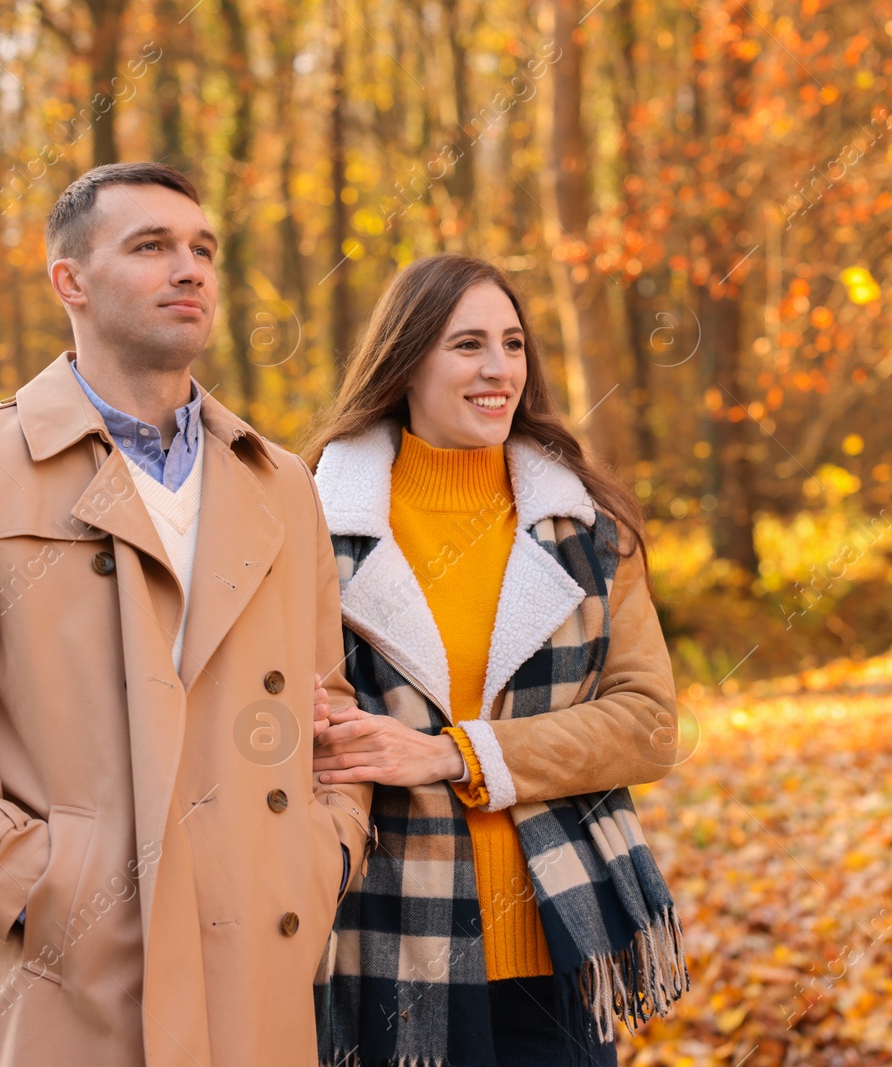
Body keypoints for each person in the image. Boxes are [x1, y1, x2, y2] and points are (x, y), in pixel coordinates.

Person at [0, 161, 373, 1067]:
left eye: (202, 248)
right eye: (152, 246)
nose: (190, 268)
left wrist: (325, 854)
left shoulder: (281, 483)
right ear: (69, 280)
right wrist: (32, 885)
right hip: (73, 972)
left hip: (261, 966)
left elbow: (328, 708)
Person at [304, 253, 687, 1067]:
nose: (499, 368)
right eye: (467, 344)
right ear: (406, 360)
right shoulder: (307, 522)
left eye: (513, 344)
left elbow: (649, 724)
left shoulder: (584, 521)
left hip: (557, 938)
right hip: (382, 939)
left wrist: (455, 752)